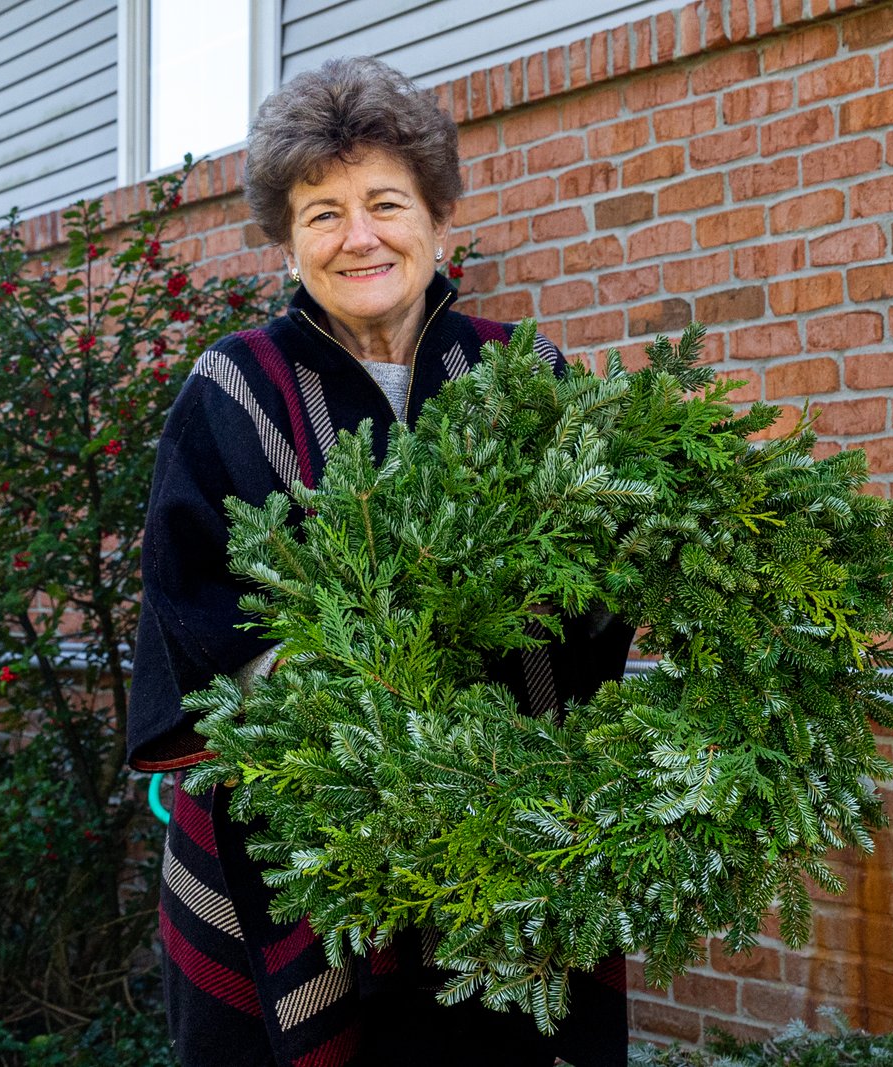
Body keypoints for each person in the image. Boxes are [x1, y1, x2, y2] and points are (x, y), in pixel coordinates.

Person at [128, 57, 634, 1066]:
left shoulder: (523, 373)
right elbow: (188, 598)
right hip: (293, 848)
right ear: (286, 239)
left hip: (509, 826)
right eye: (320, 213)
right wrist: (332, 674)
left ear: (439, 217)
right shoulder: (236, 387)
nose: (357, 236)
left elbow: (593, 589)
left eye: (384, 202)